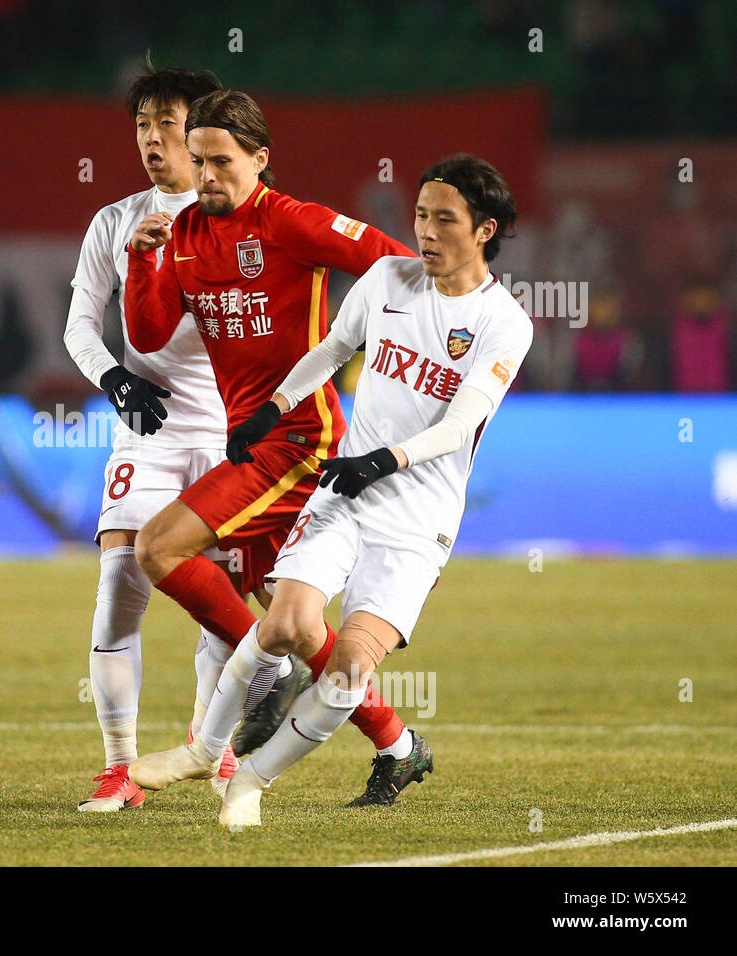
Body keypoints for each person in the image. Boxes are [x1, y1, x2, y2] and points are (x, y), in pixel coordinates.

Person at [124, 89, 433, 806]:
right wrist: (142, 262)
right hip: (252, 441)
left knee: (158, 548)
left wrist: (395, 360)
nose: (206, 176)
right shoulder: (184, 232)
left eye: (221, 162)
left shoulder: (292, 221)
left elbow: (396, 267)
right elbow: (147, 333)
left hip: (297, 440)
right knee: (292, 624)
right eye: (197, 160)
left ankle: (266, 672)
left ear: (260, 159)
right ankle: (397, 743)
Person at [206, 154, 532, 829]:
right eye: (420, 215)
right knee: (287, 624)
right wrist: (269, 411)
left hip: (419, 518)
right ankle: (205, 752)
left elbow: (462, 423)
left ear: (485, 229)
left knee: (349, 668)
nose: (427, 232)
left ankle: (254, 784)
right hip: (347, 492)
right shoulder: (387, 277)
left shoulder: (505, 322)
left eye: (445, 219)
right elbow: (332, 348)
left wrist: (382, 460)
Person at [64, 59, 244, 811]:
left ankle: (219, 750)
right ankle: (119, 768)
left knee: (223, 603)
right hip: (150, 428)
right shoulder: (113, 221)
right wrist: (114, 378)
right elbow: (78, 325)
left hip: (234, 434)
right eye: (142, 125)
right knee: (117, 589)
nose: (152, 139)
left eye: (167, 123)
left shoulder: (243, 218)